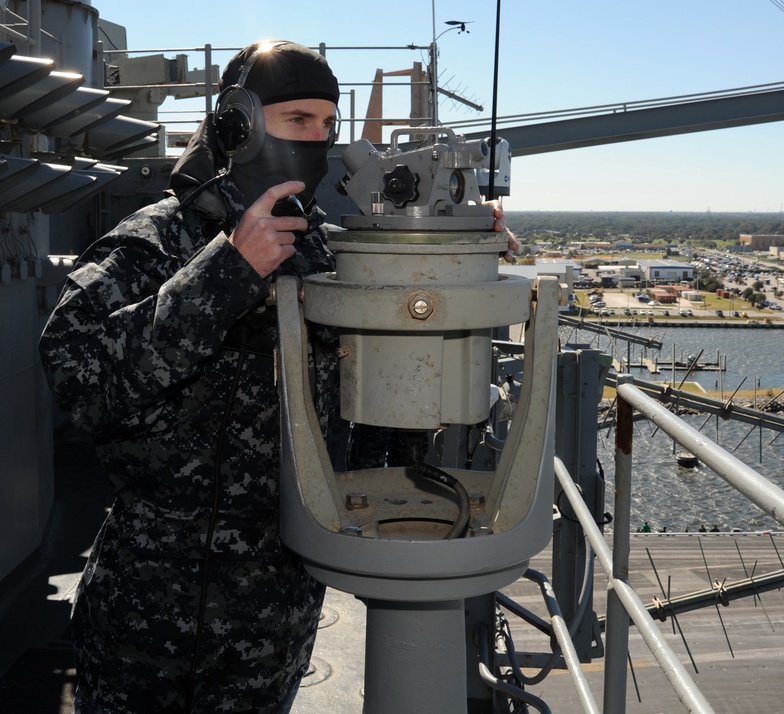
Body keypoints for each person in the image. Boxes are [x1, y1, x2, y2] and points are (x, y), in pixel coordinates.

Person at [39, 40, 513, 713]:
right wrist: (228, 270)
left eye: (327, 125)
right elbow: (75, 371)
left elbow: (380, 425)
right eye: (298, 121)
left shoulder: (324, 254)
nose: (317, 140)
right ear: (238, 125)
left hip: (273, 615)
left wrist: (460, 252)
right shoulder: (159, 240)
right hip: (147, 607)